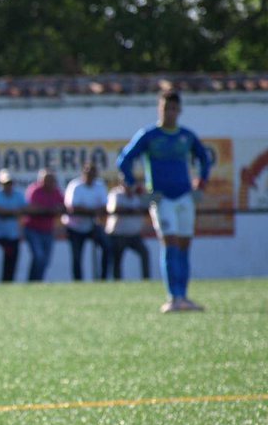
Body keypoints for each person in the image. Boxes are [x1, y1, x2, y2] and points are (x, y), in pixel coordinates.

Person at [116, 90, 210, 312]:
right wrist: (136, 185)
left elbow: (204, 159)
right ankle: (173, 297)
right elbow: (124, 161)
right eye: (166, 108)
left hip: (185, 197)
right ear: (160, 109)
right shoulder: (149, 135)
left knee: (185, 244)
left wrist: (201, 181)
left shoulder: (186, 136)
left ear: (179, 111)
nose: (170, 113)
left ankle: (184, 296)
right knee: (170, 243)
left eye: (174, 109)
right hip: (161, 198)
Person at [62, 162, 110, 281]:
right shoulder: (75, 186)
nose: (90, 176)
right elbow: (73, 207)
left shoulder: (100, 186)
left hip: (93, 225)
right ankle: (78, 281)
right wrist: (92, 211)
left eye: (93, 173)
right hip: (75, 226)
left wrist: (91, 211)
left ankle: (104, 279)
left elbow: (104, 206)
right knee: (77, 256)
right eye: (88, 173)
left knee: (107, 247)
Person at [106, 177, 151, 281]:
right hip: (118, 234)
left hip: (134, 234)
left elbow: (146, 208)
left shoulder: (138, 195)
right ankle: (117, 282)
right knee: (117, 259)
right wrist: (132, 210)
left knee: (144, 253)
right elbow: (114, 209)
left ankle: (146, 279)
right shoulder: (116, 194)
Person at [23, 169, 63, 282]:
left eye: (52, 180)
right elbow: (33, 208)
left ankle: (37, 282)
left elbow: (63, 205)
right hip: (33, 229)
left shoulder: (55, 191)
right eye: (47, 180)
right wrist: (49, 210)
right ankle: (33, 281)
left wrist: (57, 208)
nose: (50, 182)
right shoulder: (35, 190)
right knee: (38, 256)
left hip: (48, 230)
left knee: (45, 260)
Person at [0, 169, 25, 282]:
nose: (8, 186)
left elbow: (25, 208)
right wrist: (12, 212)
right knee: (4, 260)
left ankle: (9, 283)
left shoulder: (18, 194)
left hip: (13, 234)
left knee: (13, 262)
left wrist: (8, 212)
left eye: (10, 183)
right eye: (6, 183)